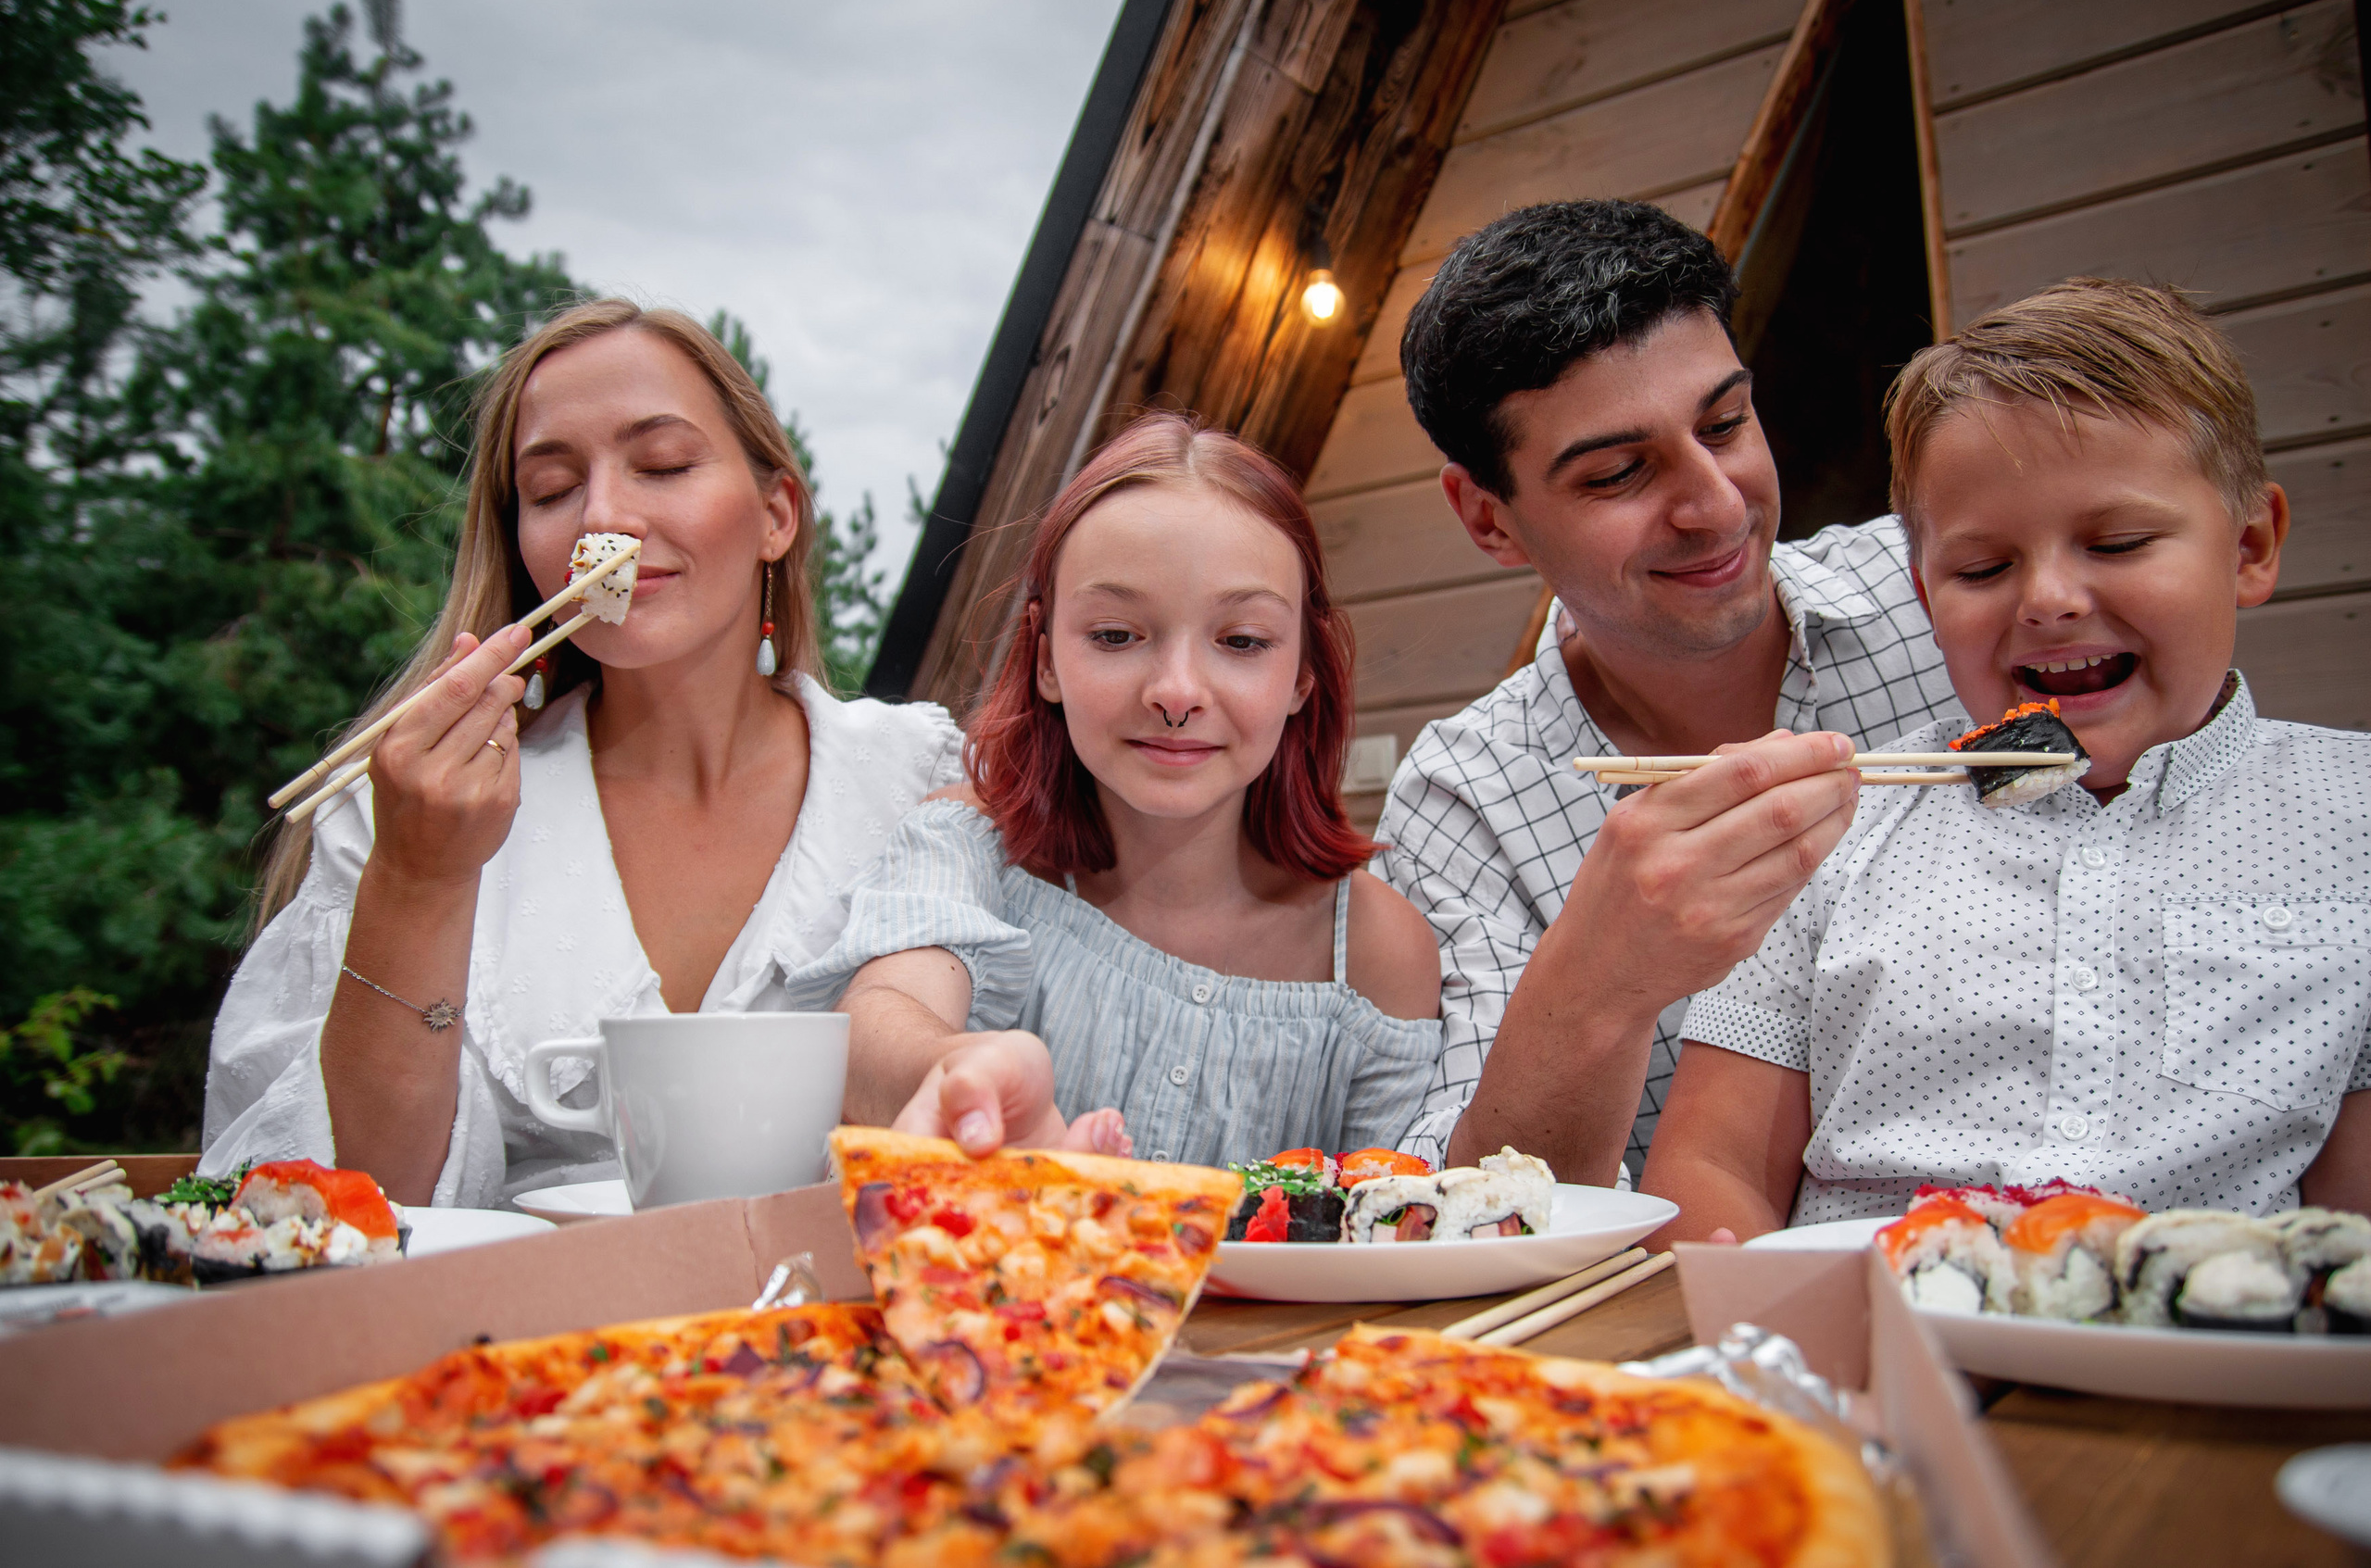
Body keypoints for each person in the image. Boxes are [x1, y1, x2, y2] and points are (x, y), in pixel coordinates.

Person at [200, 299, 965, 1209]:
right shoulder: (404, 810)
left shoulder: (920, 782)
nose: (603, 516)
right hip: (500, 1340)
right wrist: (421, 880)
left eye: (664, 463)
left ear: (775, 514)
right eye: (553, 489)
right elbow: (342, 1207)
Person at [1643, 278, 2371, 1233]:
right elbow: (1711, 1162)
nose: (2050, 599)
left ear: (2250, 544)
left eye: (2116, 541)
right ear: (1923, 590)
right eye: (1983, 568)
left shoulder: (2350, 819)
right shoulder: (1831, 824)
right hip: (1871, 1337)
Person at [1376, 199, 1963, 1185]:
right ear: (1489, 519)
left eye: (1726, 422)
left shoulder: (1950, 589)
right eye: (1618, 473)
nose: (1717, 503)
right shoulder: (1467, 799)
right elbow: (1468, 1207)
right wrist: (1601, 977)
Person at [796, 413, 1444, 1167]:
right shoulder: (966, 846)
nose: (1176, 693)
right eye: (1114, 635)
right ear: (1044, 662)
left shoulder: (1377, 952)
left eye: (1241, 642)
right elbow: (883, 1014)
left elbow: (1395, 1227)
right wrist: (956, 1078)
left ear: (1302, 674)